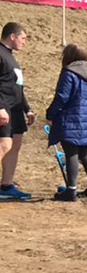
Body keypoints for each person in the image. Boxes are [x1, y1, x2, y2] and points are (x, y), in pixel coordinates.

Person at [44, 44, 87, 201]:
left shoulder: (68, 73)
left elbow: (62, 97)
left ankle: (71, 190)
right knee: (85, 153)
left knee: (71, 152)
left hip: (70, 118)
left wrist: (50, 114)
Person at [0, 22, 35, 200]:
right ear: (12, 36)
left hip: (15, 109)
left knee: (15, 144)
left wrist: (27, 109)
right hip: (3, 108)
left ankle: (6, 186)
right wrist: (0, 107)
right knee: (4, 145)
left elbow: (18, 87)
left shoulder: (12, 59)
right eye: (23, 38)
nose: (24, 42)